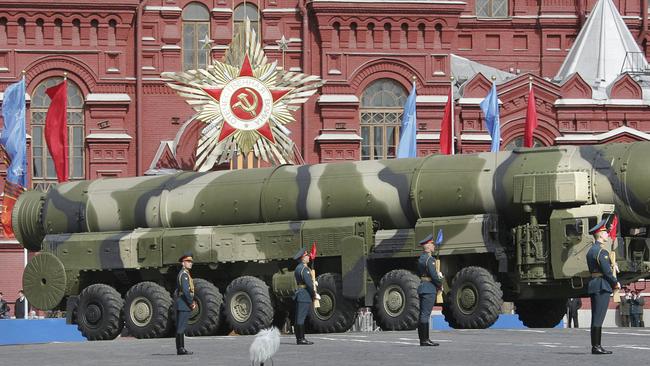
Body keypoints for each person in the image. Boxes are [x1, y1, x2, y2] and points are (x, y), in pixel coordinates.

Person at [586, 219, 620, 355]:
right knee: (598, 318)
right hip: (602, 286)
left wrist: (612, 265)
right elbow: (606, 272)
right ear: (600, 234)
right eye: (605, 232)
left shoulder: (591, 251)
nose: (607, 235)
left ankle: (595, 346)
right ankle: (596, 347)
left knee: (595, 317)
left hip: (594, 284)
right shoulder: (602, 252)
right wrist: (615, 282)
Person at [416, 233, 443, 347]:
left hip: (423, 287)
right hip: (429, 289)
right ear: (427, 246)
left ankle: (424, 339)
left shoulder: (422, 259)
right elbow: (434, 275)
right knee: (425, 315)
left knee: (422, 314)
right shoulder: (430, 260)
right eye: (432, 244)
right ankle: (425, 340)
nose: (433, 246)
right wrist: (440, 280)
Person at [293, 248, 318, 345]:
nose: (308, 257)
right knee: (301, 318)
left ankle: (299, 338)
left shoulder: (298, 268)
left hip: (300, 293)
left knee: (298, 317)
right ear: (303, 258)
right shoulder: (304, 269)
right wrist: (314, 293)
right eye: (307, 255)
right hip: (305, 295)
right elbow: (308, 283)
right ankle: (301, 339)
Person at [175, 252, 195, 355]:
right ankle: (181, 349)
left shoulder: (184, 273)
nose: (190, 263)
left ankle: (180, 348)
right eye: (188, 261)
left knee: (180, 327)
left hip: (181, 303)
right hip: (183, 304)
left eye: (191, 261)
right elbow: (186, 291)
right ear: (183, 263)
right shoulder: (184, 275)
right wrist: (191, 303)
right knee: (181, 327)